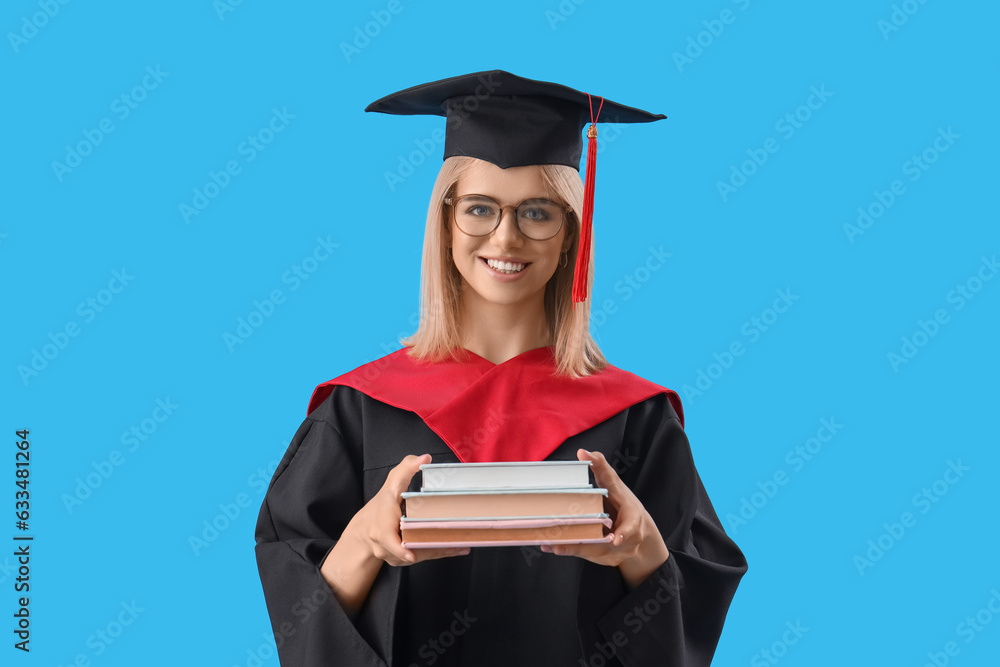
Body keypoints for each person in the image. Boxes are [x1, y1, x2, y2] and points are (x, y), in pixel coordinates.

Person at [254, 70, 747, 666]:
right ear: (444, 222)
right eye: (480, 209)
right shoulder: (360, 409)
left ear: (570, 234)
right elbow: (296, 601)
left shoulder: (636, 419)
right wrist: (365, 540)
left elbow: (690, 622)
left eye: (537, 213)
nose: (506, 238)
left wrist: (641, 551)